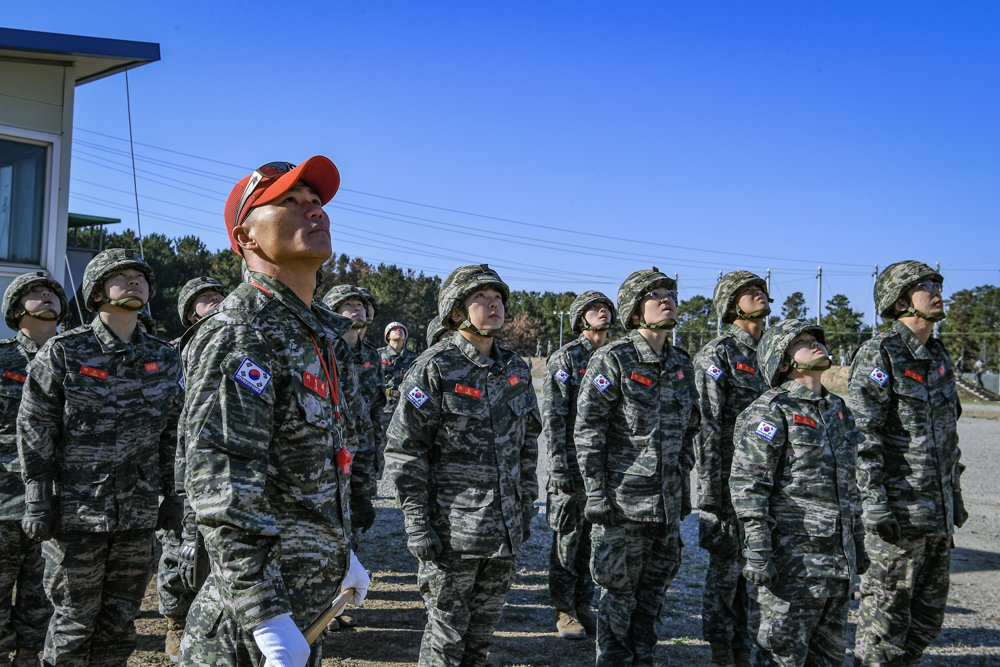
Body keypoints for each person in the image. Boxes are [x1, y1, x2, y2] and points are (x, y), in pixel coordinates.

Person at [177, 158, 369, 667]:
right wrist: (265, 615)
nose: (314, 210)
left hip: (308, 604)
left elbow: (313, 470)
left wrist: (340, 549)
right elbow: (222, 487)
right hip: (248, 627)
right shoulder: (242, 333)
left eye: (316, 201)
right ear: (248, 236)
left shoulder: (317, 335)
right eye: (290, 201)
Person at [17, 249, 183, 667]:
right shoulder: (64, 352)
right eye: (120, 276)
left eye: (139, 277)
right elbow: (36, 426)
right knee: (74, 622)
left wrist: (176, 494)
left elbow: (173, 433)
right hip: (76, 514)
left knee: (119, 624)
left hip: (138, 514)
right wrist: (38, 497)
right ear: (95, 293)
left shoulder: (162, 357)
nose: (133, 283)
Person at [385, 264, 540, 667]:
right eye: (481, 300)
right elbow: (406, 451)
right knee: (445, 638)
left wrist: (526, 506)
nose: (494, 307)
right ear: (457, 311)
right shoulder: (435, 367)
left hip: (503, 533)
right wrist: (417, 523)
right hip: (451, 535)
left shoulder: (516, 369)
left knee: (480, 642)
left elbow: (527, 447)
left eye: (498, 299)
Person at [575, 268, 699, 667]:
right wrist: (595, 494)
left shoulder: (682, 363)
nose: (666, 299)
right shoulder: (614, 359)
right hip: (621, 508)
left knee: (652, 601)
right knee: (617, 602)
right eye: (654, 294)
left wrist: (680, 483)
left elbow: (690, 429)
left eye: (669, 293)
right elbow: (589, 430)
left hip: (664, 510)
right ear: (633, 310)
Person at [730, 319, 865, 667]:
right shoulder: (771, 410)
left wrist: (858, 542)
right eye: (802, 342)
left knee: (830, 659)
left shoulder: (837, 409)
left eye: (816, 339)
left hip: (836, 565)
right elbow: (749, 486)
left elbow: (850, 484)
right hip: (791, 567)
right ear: (783, 360)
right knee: (781, 657)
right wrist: (757, 550)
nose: (815, 344)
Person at [850, 261, 965, 667]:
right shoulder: (881, 353)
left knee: (927, 620)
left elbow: (947, 435)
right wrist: (874, 502)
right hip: (897, 517)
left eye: (937, 283)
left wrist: (955, 493)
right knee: (884, 626)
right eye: (925, 286)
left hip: (936, 514)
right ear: (900, 302)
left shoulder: (938, 354)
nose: (937, 291)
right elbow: (862, 436)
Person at [692, 271, 771, 667]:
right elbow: (706, 425)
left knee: (758, 572)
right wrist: (710, 490)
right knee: (725, 572)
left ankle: (745, 647)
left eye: (761, 290)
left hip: (768, 484)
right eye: (748, 293)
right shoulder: (717, 355)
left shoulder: (775, 353)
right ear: (730, 305)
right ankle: (721, 650)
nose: (759, 296)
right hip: (726, 485)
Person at [155, 276, 228, 661]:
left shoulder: (237, 347)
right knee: (175, 550)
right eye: (205, 300)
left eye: (219, 297)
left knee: (215, 549)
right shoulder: (170, 354)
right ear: (189, 312)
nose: (215, 303)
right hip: (177, 468)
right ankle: (175, 622)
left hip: (221, 466)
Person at [0, 273, 67, 667]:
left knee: (42, 598)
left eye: (53, 293)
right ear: (15, 309)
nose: (46, 296)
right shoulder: (3, 359)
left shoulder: (76, 359)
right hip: (5, 499)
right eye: (34, 293)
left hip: (59, 499)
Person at [541, 290, 616, 639]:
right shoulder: (566, 358)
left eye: (606, 308)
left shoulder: (616, 356)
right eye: (593, 309)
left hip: (604, 468)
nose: (602, 313)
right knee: (568, 539)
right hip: (571, 467)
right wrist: (558, 466)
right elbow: (554, 417)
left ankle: (584, 604)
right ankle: (564, 608)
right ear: (580, 319)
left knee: (595, 540)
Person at [379, 321, 417, 439]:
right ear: (388, 335)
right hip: (384, 405)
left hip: (405, 405)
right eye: (394, 329)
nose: (398, 330)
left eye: (402, 329)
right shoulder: (379, 355)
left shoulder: (413, 357)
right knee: (382, 440)